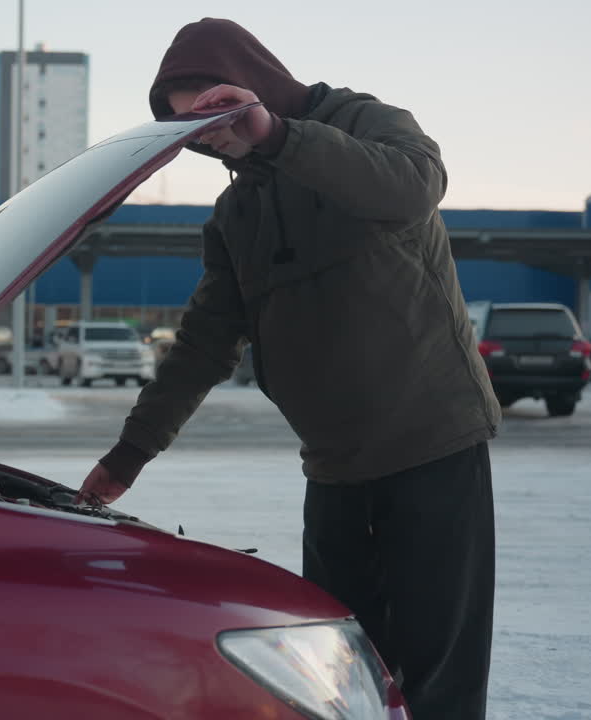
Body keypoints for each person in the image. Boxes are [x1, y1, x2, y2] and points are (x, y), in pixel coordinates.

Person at [75, 18, 499, 720]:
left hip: (433, 445)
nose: (205, 134)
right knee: (342, 672)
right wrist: (130, 454)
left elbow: (415, 187)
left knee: (438, 678)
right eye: (187, 126)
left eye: (211, 111)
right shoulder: (238, 212)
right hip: (334, 468)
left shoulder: (361, 120)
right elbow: (204, 343)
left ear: (250, 80)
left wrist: (275, 133)